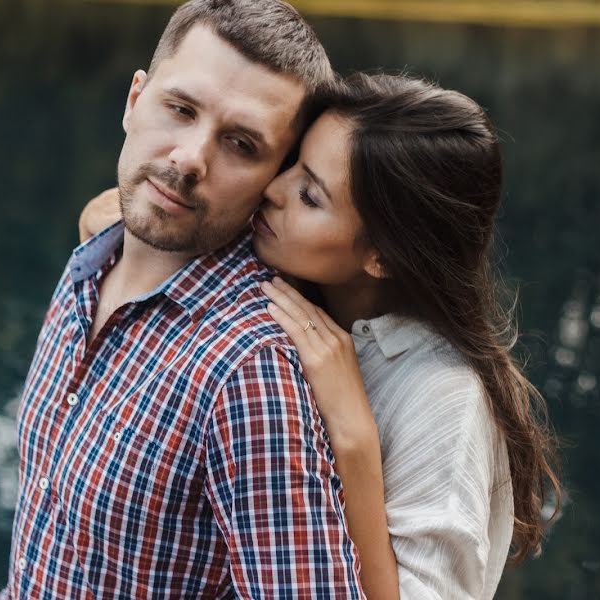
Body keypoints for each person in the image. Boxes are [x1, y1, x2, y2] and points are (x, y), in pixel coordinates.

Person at [80, 73, 563, 599]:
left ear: (382, 255)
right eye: (291, 164)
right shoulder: (293, 274)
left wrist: (354, 438)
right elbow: (110, 214)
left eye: (310, 195)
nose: (272, 189)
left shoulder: (443, 398)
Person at [0, 1, 368, 598]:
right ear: (134, 100)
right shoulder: (89, 267)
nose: (191, 158)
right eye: (181, 109)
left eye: (242, 144)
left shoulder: (248, 371)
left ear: (275, 174)